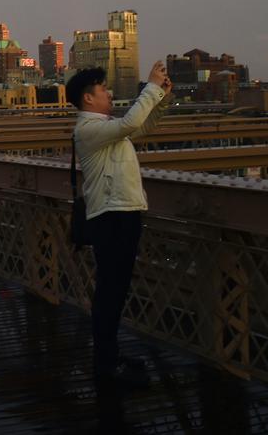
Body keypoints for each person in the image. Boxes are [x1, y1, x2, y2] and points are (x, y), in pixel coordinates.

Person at [67, 62, 172, 389]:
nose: (109, 94)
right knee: (110, 293)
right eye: (103, 90)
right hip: (112, 216)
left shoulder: (104, 126)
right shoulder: (88, 129)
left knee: (113, 291)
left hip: (120, 212)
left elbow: (140, 127)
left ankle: (108, 359)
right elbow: (131, 123)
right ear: (88, 99)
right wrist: (151, 87)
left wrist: (161, 98)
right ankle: (106, 363)